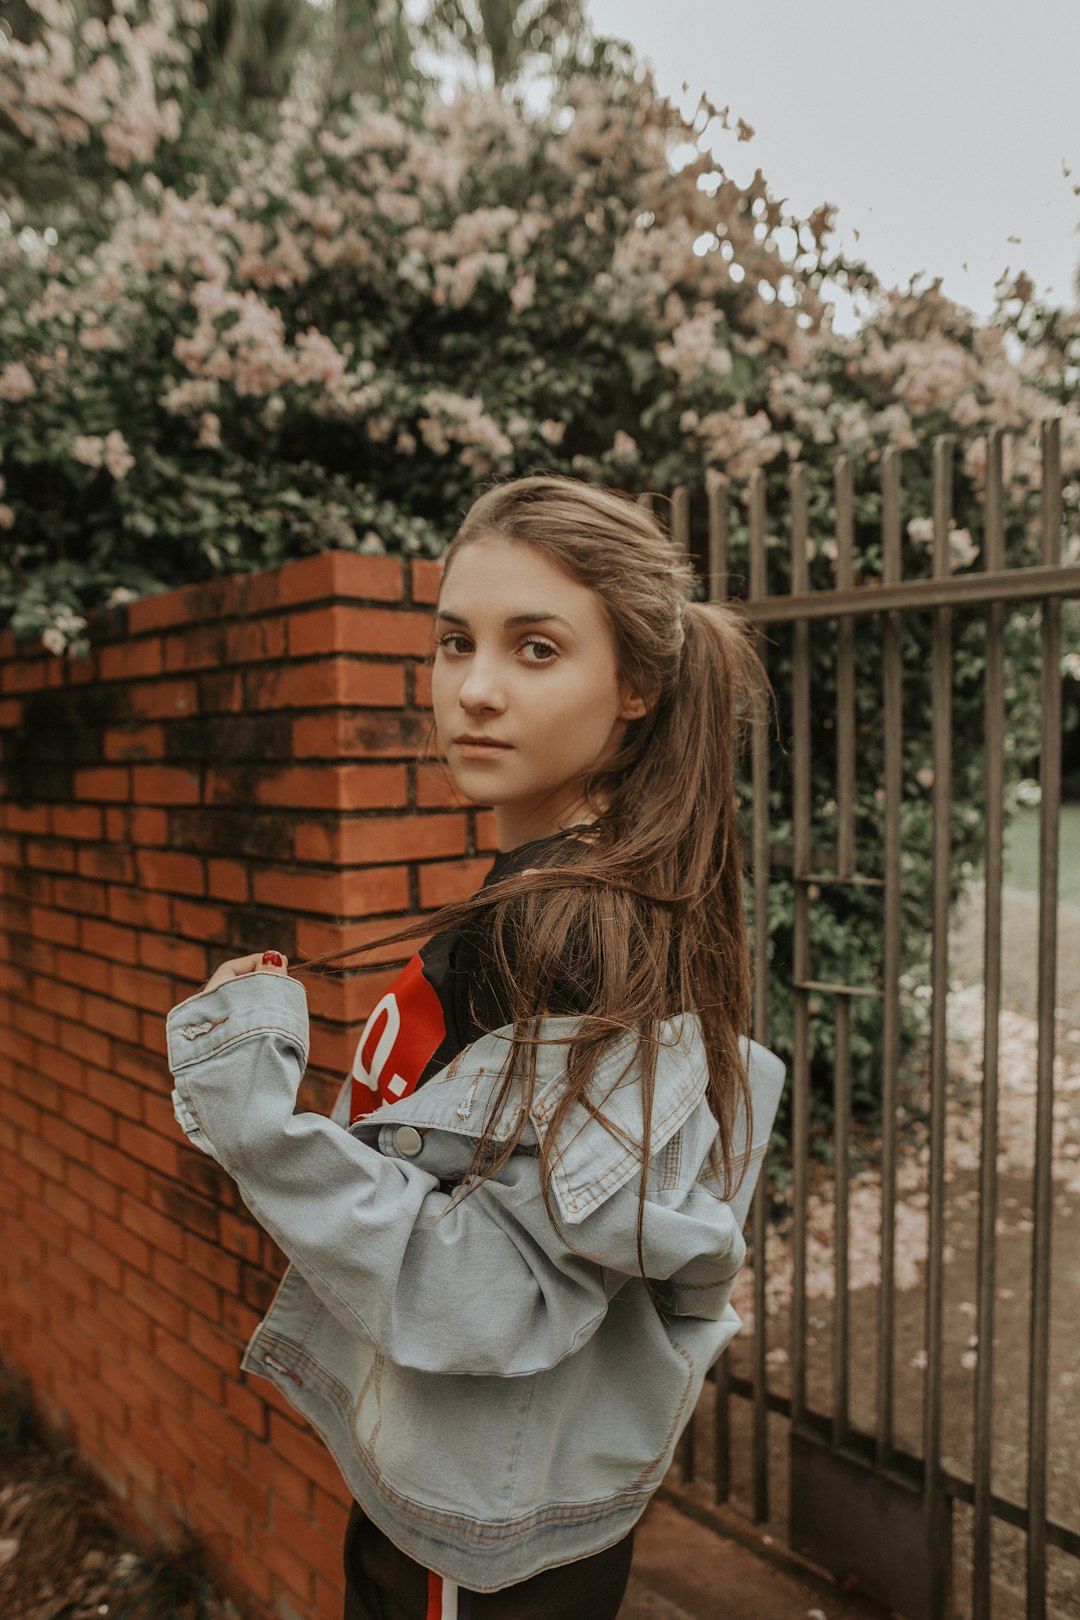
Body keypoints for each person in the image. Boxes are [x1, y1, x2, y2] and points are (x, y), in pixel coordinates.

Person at [165, 476, 786, 1620]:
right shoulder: (558, 896)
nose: (476, 690)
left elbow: (497, 1292)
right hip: (475, 1486)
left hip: (480, 1548)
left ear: (636, 686)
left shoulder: (562, 931)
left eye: (536, 648)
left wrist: (255, 1125)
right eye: (455, 642)